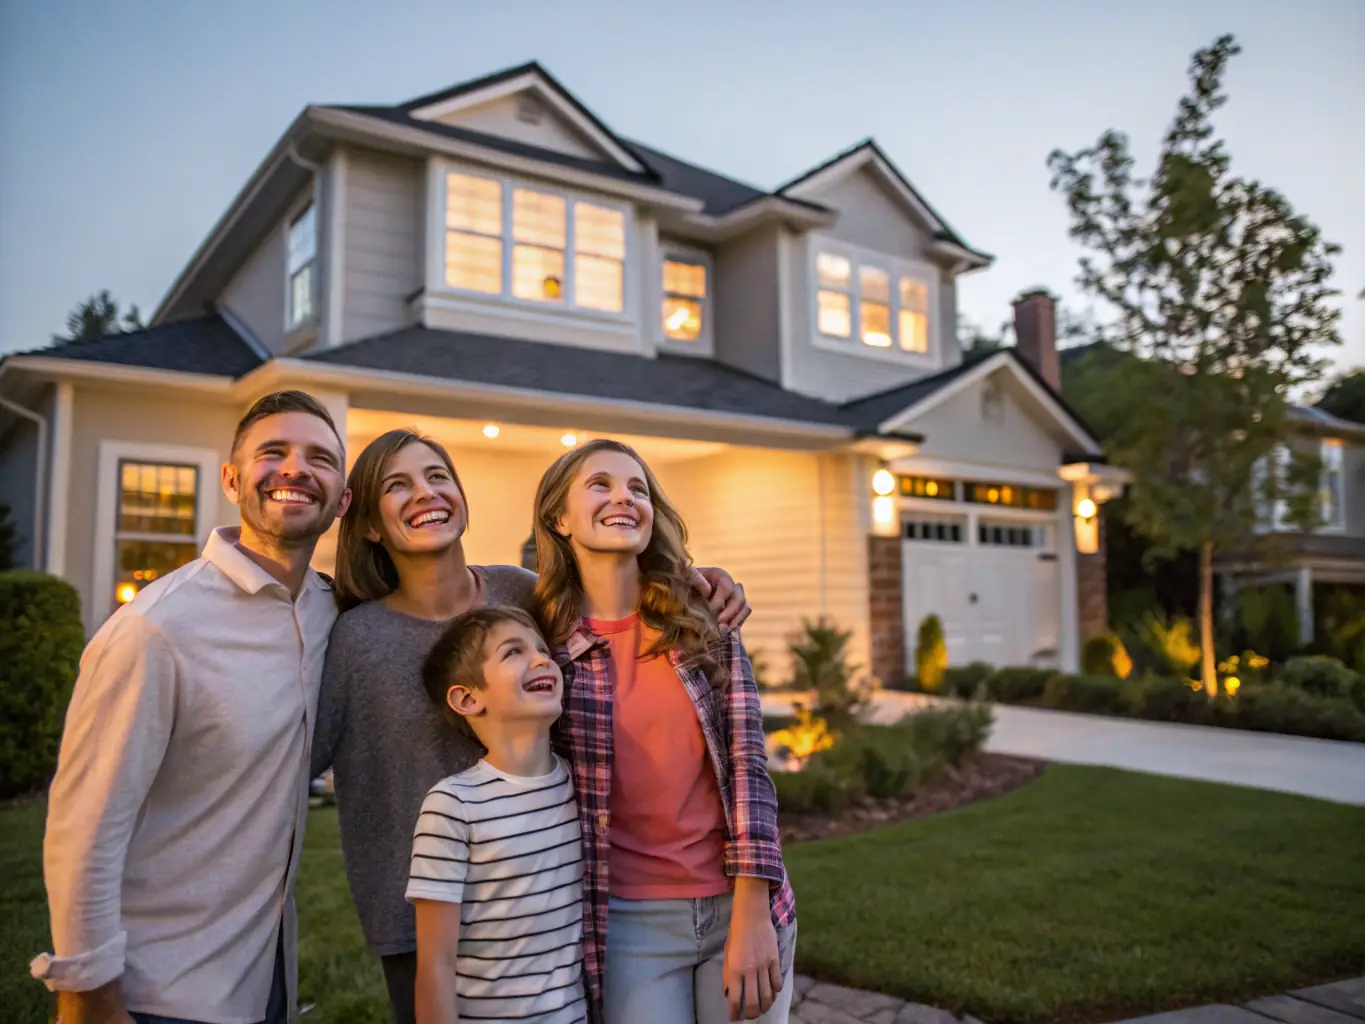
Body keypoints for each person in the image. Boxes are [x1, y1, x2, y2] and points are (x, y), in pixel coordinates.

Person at [310, 428, 750, 1024]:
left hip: (550, 902)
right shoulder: (354, 639)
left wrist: (703, 582)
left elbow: (614, 596)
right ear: (367, 523)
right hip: (423, 921)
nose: (425, 493)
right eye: (398, 485)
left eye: (438, 476)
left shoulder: (524, 596)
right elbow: (295, 757)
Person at [31, 390, 351, 1024]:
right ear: (233, 479)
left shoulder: (329, 611)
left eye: (320, 458)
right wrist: (88, 992)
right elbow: (85, 825)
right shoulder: (155, 628)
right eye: (273, 452)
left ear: (341, 499)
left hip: (264, 978)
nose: (295, 469)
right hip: (159, 989)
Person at [531, 438, 796, 1024]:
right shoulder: (544, 646)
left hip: (738, 903)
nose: (623, 497)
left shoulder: (704, 618)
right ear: (560, 518)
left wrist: (752, 911)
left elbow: (748, 766)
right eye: (600, 484)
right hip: (628, 921)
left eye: (638, 488)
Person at [407, 606, 586, 1024]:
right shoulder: (453, 806)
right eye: (514, 652)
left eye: (542, 649)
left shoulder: (583, 788)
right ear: (469, 698)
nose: (543, 659)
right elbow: (435, 965)